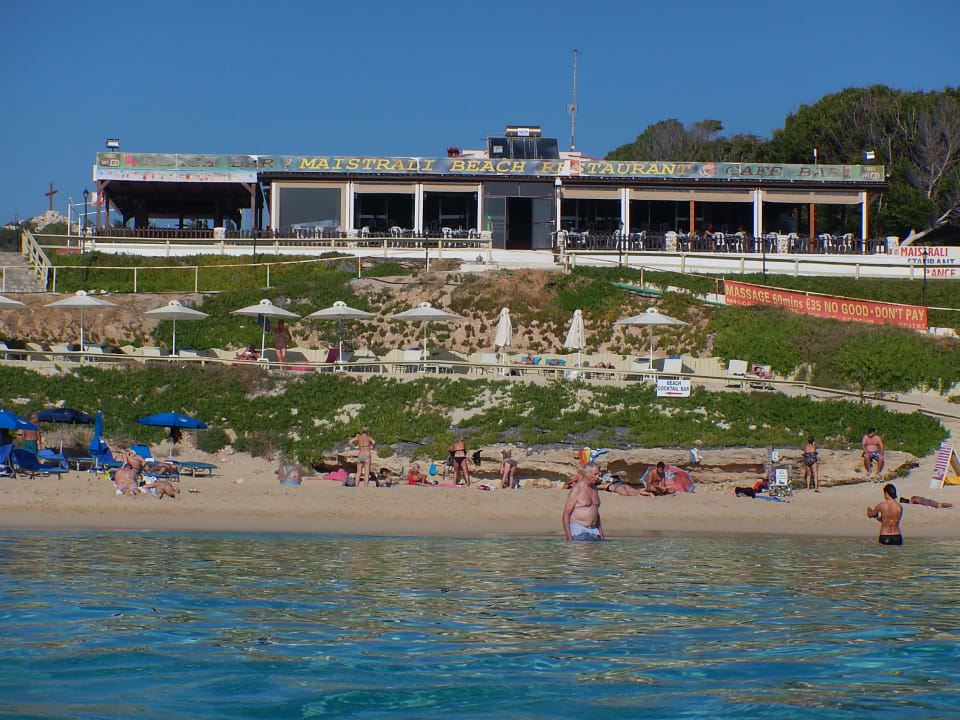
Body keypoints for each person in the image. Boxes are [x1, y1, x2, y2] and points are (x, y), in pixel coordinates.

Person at [562, 461, 604, 541]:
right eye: (595, 474)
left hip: (594, 531)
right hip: (579, 531)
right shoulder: (577, 489)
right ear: (587, 473)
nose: (598, 477)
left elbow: (595, 512)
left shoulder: (594, 489)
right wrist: (569, 537)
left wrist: (602, 535)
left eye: (598, 474)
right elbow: (566, 514)